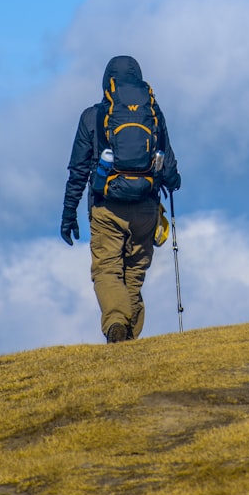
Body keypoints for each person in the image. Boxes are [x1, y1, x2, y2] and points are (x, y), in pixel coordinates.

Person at [60, 55, 181, 343]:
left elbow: (77, 170)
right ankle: (128, 341)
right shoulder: (152, 113)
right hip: (146, 206)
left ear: (107, 82)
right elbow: (170, 164)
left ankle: (116, 324)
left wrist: (68, 214)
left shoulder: (92, 116)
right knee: (134, 274)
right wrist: (172, 183)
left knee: (107, 270)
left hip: (107, 207)